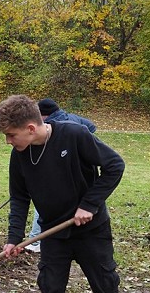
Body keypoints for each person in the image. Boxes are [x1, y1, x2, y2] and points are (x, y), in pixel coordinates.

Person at [0, 94, 136, 293]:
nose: (8, 141)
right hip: (53, 234)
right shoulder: (20, 154)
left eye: (10, 135)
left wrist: (90, 204)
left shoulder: (74, 135)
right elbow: (19, 198)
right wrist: (14, 239)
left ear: (31, 128)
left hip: (91, 233)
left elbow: (114, 166)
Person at [26, 98, 97, 253]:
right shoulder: (72, 117)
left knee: (43, 203)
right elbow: (92, 126)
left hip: (59, 170)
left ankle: (36, 239)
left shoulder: (50, 125)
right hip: (73, 171)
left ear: (43, 116)